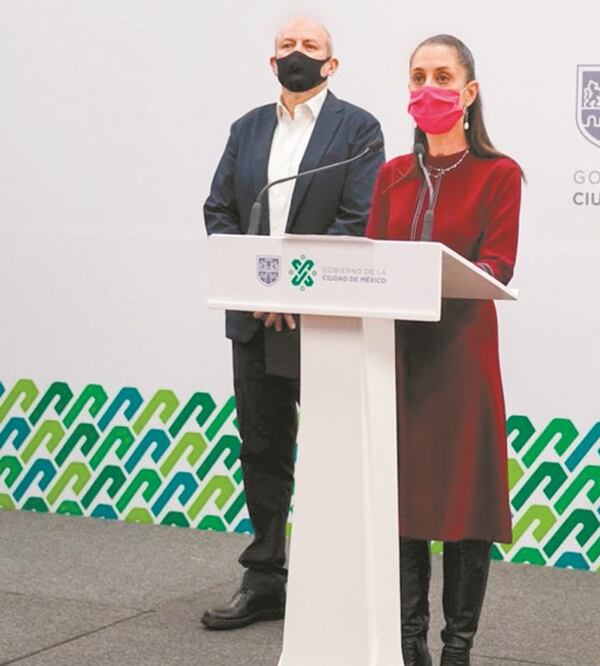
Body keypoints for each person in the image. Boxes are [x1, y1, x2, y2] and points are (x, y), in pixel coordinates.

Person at [201, 16, 384, 630]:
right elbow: (220, 210)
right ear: (270, 61)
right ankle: (266, 577)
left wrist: (291, 291)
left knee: (333, 451)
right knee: (262, 447)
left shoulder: (358, 130)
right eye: (287, 46)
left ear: (333, 64)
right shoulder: (246, 129)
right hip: (255, 319)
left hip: (323, 320)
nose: (297, 54)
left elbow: (356, 221)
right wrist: (259, 287)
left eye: (310, 47)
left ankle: (331, 579)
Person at [364, 34, 522, 666]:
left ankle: (457, 648)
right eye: (418, 77)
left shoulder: (499, 174)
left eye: (442, 76)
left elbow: (498, 264)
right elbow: (372, 258)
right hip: (398, 359)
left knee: (465, 505)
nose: (428, 89)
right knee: (403, 506)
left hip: (461, 359)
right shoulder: (391, 175)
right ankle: (409, 646)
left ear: (469, 92)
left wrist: (437, 272)